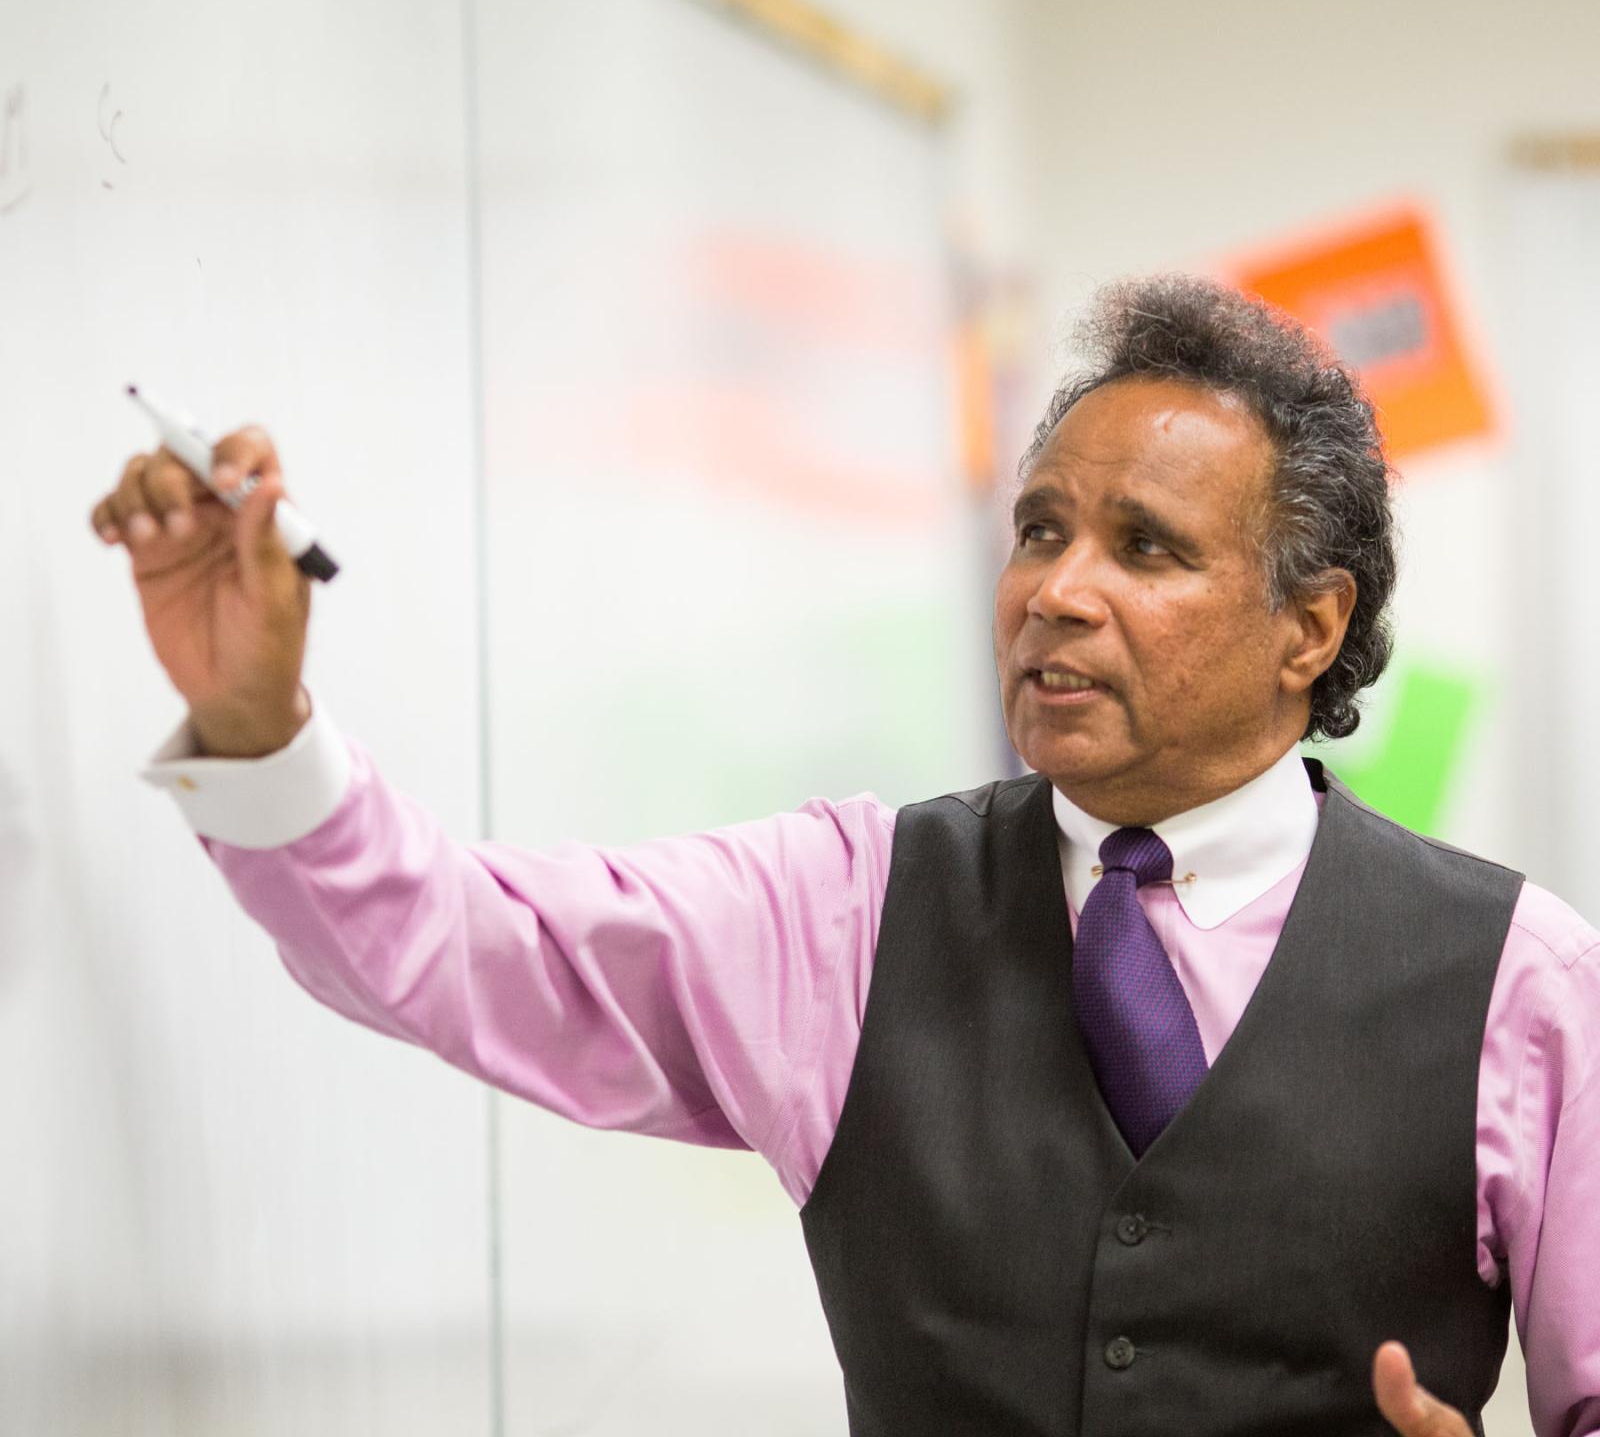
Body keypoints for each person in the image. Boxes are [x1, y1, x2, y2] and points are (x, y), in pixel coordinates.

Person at [91, 275, 1598, 1437]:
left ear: (1310, 628)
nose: (1056, 593)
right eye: (1040, 529)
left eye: (1144, 549)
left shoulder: (1518, 980)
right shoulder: (852, 911)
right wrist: (257, 718)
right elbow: (461, 942)